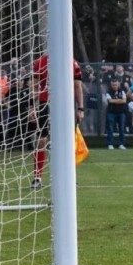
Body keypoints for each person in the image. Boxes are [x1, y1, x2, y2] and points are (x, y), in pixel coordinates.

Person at [30, 55, 84, 190]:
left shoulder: (71, 62)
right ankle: (37, 177)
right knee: (41, 139)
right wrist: (32, 107)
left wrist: (80, 108)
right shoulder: (40, 62)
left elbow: (77, 86)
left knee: (67, 141)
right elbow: (34, 86)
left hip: (65, 104)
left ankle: (69, 177)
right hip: (44, 103)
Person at [104, 78, 127, 150]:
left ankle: (121, 144)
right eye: (113, 85)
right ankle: (110, 144)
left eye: (116, 85)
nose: (115, 86)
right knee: (110, 128)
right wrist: (119, 100)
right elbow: (109, 101)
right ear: (111, 85)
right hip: (111, 112)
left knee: (122, 128)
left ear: (118, 85)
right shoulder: (108, 92)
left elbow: (124, 101)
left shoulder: (122, 91)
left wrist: (114, 100)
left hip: (121, 112)